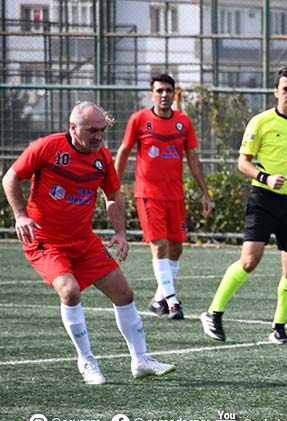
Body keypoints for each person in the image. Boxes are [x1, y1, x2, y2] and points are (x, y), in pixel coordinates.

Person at [1, 101, 176, 385]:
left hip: (83, 240)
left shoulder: (102, 157)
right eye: (92, 130)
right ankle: (86, 360)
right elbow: (12, 176)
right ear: (73, 128)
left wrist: (120, 232)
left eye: (102, 130)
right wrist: (20, 215)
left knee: (124, 294)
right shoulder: (48, 147)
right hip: (45, 241)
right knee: (69, 291)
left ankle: (141, 360)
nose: (98, 136)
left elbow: (113, 196)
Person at [200, 66, 287, 344]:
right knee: (250, 260)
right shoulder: (260, 122)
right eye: (286, 89)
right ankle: (213, 312)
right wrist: (266, 177)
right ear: (276, 91)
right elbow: (243, 162)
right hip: (263, 199)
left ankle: (278, 327)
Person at [115, 73, 213, 320]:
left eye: (168, 90)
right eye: (159, 91)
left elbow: (192, 158)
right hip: (148, 194)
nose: (164, 95)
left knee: (176, 247)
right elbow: (124, 151)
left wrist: (205, 192)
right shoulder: (139, 119)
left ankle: (159, 298)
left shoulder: (183, 122)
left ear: (173, 94)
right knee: (159, 246)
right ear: (152, 94)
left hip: (175, 195)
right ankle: (172, 302)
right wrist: (113, 185)